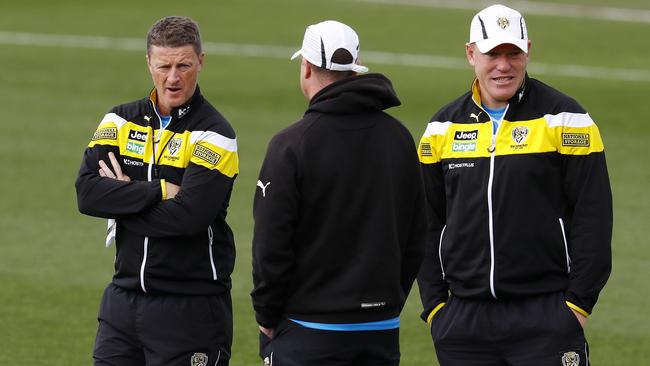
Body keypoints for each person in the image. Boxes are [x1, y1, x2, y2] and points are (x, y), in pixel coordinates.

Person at [417, 4, 613, 365]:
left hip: (545, 317)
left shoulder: (568, 120)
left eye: (513, 53)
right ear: (471, 53)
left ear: (528, 51)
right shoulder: (441, 129)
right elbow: (426, 224)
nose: (503, 65)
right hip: (463, 324)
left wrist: (577, 305)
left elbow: (593, 216)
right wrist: (436, 308)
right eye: (492, 54)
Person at [251, 20, 426, 366]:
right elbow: (416, 235)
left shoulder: (291, 145)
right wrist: (388, 303)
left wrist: (267, 316)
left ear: (306, 68)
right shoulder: (399, 139)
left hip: (307, 330)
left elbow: (271, 246)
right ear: (354, 70)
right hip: (381, 329)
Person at [75, 16, 238, 366]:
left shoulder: (215, 135)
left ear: (201, 62)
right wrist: (161, 190)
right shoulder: (119, 121)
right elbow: (87, 194)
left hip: (190, 309)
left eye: (184, 65)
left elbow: (187, 219)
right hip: (123, 302)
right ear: (149, 63)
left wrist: (121, 202)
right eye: (164, 66)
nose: (173, 77)